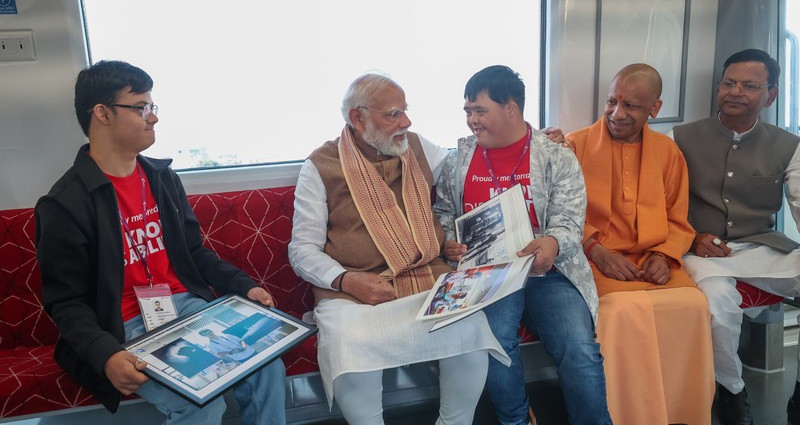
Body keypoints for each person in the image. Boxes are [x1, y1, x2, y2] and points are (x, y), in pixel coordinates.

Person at [35, 60, 286, 425]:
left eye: (152, 107)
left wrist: (243, 285)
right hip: (121, 326)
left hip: (187, 309)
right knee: (200, 402)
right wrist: (106, 355)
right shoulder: (64, 203)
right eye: (141, 108)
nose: (153, 117)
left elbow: (193, 252)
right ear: (102, 113)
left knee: (267, 364)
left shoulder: (161, 178)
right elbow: (66, 302)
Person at [287, 73, 507, 425]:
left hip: (427, 274)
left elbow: (469, 164)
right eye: (393, 114)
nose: (406, 122)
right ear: (358, 118)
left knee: (469, 327)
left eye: (405, 110)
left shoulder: (416, 146)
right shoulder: (320, 166)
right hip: (354, 290)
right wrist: (347, 280)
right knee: (348, 344)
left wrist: (539, 140)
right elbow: (302, 250)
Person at [434, 65, 612, 425]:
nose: (471, 120)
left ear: (511, 108)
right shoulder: (457, 161)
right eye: (468, 111)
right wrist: (448, 240)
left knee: (579, 347)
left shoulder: (555, 156)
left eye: (480, 110)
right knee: (495, 343)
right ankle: (517, 421)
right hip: (487, 273)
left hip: (549, 270)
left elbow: (569, 220)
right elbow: (443, 214)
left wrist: (552, 243)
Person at [565, 63, 714, 424]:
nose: (617, 113)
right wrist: (596, 250)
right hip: (595, 259)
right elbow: (562, 215)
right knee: (620, 313)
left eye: (630, 106)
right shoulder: (574, 145)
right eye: (611, 101)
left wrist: (664, 254)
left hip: (652, 259)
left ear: (654, 108)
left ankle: (680, 415)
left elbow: (678, 219)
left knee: (693, 305)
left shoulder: (668, 152)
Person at [672, 48, 800, 425]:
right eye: (728, 83)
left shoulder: (789, 146)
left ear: (771, 95)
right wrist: (692, 237)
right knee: (716, 300)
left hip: (764, 248)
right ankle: (731, 390)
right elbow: (658, 202)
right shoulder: (678, 138)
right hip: (703, 251)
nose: (735, 92)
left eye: (749, 85)